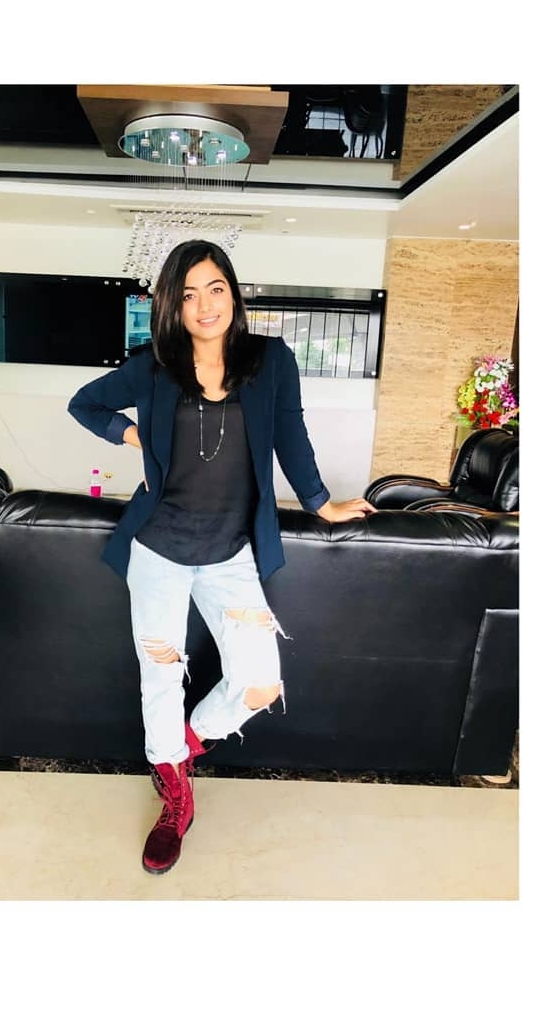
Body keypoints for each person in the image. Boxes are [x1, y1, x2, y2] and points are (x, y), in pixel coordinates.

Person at [68, 239, 376, 875]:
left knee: (260, 684)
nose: (204, 305)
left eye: (215, 288)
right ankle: (175, 798)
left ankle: (179, 749)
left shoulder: (270, 360)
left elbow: (291, 435)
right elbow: (85, 403)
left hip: (230, 553)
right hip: (157, 548)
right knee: (160, 676)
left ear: (233, 293)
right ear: (172, 306)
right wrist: (131, 435)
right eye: (188, 295)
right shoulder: (153, 366)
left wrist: (321, 504)